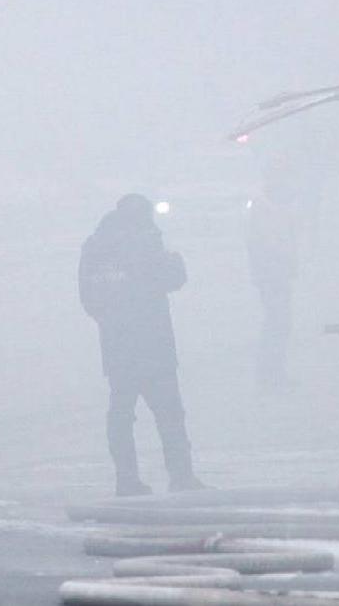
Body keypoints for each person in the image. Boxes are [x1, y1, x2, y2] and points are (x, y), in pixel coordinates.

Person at [79, 194, 202, 496]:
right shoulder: (145, 240)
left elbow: (89, 299)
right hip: (153, 342)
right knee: (170, 414)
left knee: (121, 415)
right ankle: (181, 476)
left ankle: (126, 479)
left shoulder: (95, 247)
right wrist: (174, 260)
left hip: (117, 345)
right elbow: (172, 279)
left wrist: (111, 321)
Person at [246, 165, 298, 389]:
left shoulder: (277, 204)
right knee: (277, 323)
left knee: (279, 323)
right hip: (272, 273)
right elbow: (266, 243)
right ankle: (270, 376)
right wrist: (284, 259)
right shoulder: (263, 207)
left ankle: (273, 373)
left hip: (278, 272)